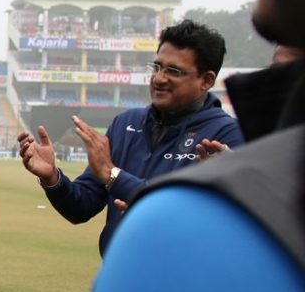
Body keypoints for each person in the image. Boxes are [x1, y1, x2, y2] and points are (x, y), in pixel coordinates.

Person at [17, 19, 245, 254]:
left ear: (206, 80)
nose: (159, 78)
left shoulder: (227, 136)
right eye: (156, 67)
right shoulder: (126, 123)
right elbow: (81, 208)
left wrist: (113, 175)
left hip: (182, 281)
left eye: (173, 71)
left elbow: (198, 218)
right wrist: (52, 178)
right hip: (119, 276)